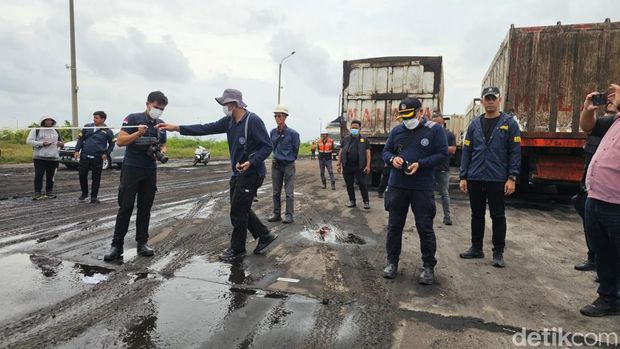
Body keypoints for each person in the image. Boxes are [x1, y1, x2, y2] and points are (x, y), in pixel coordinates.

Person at [157, 89, 277, 261]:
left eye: (226, 104)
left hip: (252, 173)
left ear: (235, 104)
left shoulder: (253, 121)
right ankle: (264, 235)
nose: (224, 107)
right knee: (240, 208)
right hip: (237, 173)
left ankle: (237, 249)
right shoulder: (229, 122)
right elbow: (206, 128)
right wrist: (177, 128)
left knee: (238, 211)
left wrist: (252, 161)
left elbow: (267, 146)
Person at [382, 97, 448, 284]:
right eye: (403, 117)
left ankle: (428, 267)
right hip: (397, 186)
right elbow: (386, 151)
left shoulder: (435, 130)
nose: (407, 120)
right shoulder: (396, 131)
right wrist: (392, 159)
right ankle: (392, 262)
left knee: (425, 228)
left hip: (422, 187)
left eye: (410, 116)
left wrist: (421, 164)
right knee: (394, 227)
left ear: (421, 112)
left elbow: (443, 154)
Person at [459, 87, 521, 268]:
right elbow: (467, 151)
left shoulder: (509, 124)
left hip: (497, 177)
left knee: (498, 215)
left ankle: (498, 252)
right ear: (482, 101)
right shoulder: (474, 124)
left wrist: (512, 177)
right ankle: (476, 248)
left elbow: (515, 152)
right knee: (476, 214)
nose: (490, 101)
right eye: (487, 98)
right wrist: (464, 176)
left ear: (499, 100)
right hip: (476, 176)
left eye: (493, 98)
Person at [104, 91, 169, 262]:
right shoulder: (132, 119)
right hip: (132, 168)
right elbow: (120, 141)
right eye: (156, 107)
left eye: (161, 109)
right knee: (125, 207)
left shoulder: (160, 124)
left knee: (145, 208)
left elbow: (163, 144)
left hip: (149, 170)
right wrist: (138, 133)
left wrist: (161, 152)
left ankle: (142, 243)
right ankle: (116, 246)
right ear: (148, 104)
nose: (158, 111)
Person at [579, 84, 620, 317]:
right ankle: (608, 298)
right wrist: (588, 109)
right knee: (603, 253)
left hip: (616, 203)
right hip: (596, 199)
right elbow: (588, 126)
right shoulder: (614, 121)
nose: (612, 97)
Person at [573, 101, 618, 272]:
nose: (609, 115)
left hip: (614, 199)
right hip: (593, 193)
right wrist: (587, 109)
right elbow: (587, 125)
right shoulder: (608, 126)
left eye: (613, 111)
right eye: (607, 111)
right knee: (599, 242)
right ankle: (595, 262)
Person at [268, 104, 300, 224]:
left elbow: (295, 149)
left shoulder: (293, 134)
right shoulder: (272, 133)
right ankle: (276, 214)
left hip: (288, 165)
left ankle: (289, 215)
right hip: (276, 165)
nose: (277, 118)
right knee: (276, 191)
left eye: (279, 115)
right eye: (275, 116)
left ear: (285, 117)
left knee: (289, 192)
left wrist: (290, 159)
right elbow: (270, 147)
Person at [74, 111, 115, 204]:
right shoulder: (87, 127)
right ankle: (84, 193)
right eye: (94, 117)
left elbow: (112, 143)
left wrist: (107, 153)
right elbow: (80, 139)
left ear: (102, 119)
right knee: (82, 175)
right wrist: (77, 151)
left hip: (98, 157)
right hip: (85, 156)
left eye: (96, 118)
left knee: (96, 178)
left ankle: (94, 197)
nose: (94, 119)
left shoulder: (108, 131)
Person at [26, 116, 64, 200]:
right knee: (39, 176)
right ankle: (37, 193)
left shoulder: (56, 130)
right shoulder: (36, 130)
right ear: (43, 121)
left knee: (51, 177)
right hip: (39, 158)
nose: (49, 122)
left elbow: (60, 141)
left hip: (54, 158)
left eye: (50, 120)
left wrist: (61, 144)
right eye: (47, 120)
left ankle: (49, 192)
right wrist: (42, 143)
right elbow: (29, 141)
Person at [337, 120, 371, 209]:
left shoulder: (364, 140)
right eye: (352, 128)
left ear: (360, 128)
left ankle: (366, 202)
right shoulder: (346, 139)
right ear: (350, 128)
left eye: (356, 128)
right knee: (349, 184)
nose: (354, 129)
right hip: (347, 166)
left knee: (362, 184)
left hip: (359, 166)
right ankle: (352, 201)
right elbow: (341, 151)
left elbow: (368, 153)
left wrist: (367, 165)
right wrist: (339, 163)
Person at [432, 113, 457, 225]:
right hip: (430, 169)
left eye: (439, 123)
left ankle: (447, 217)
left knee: (444, 193)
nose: (436, 125)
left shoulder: (449, 134)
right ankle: (428, 216)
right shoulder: (428, 134)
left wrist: (440, 148)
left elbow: (453, 149)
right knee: (429, 194)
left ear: (443, 123)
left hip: (443, 169)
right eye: (434, 123)